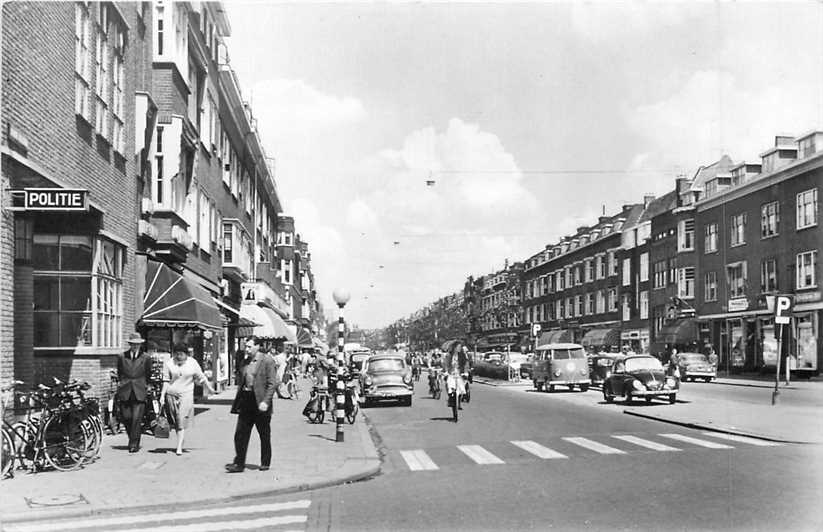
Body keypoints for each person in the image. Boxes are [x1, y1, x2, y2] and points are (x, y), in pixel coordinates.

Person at [227, 336, 277, 473]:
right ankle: (239, 463)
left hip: (261, 401)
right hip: (247, 399)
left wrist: (266, 401)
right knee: (240, 434)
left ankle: (265, 462)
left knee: (264, 433)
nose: (247, 349)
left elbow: (272, 383)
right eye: (246, 346)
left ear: (257, 346)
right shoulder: (245, 361)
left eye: (249, 346)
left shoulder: (267, 361)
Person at [160, 344, 215, 455]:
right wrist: (162, 396)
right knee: (176, 420)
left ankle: (179, 446)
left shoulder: (192, 363)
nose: (179, 356)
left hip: (186, 394)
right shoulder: (169, 363)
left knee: (181, 418)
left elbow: (201, 377)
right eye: (177, 354)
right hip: (171, 393)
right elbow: (166, 380)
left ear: (186, 354)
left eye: (181, 354)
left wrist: (209, 388)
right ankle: (180, 438)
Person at [117, 332, 152, 453]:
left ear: (140, 345)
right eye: (133, 344)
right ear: (130, 344)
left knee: (137, 418)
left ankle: (133, 444)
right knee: (126, 417)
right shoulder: (122, 356)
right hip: (126, 389)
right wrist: (121, 383)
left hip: (139, 389)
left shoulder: (146, 358)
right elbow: (119, 372)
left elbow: (148, 374)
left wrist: (146, 386)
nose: (135, 346)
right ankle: (132, 437)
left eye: (137, 344)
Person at [443, 341, 469, 410]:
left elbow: (466, 364)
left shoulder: (462, 355)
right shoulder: (449, 355)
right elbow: (446, 364)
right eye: (458, 347)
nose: (459, 348)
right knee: (449, 386)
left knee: (461, 388)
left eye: (460, 347)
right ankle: (450, 399)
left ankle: (459, 403)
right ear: (454, 348)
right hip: (451, 374)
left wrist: (465, 372)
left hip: (459, 374)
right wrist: (446, 372)